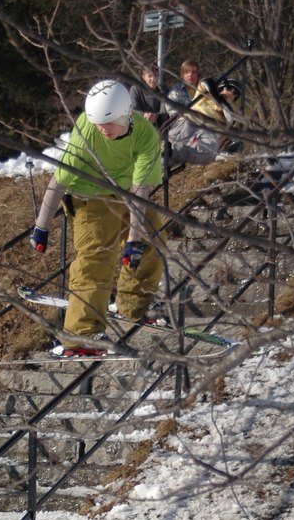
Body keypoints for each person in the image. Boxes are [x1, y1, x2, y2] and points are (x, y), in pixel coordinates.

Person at [29, 79, 164, 356]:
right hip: (88, 195)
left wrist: (133, 241)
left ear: (127, 114)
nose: (103, 129)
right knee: (96, 258)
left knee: (153, 238)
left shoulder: (146, 136)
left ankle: (134, 304)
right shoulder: (87, 132)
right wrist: (41, 227)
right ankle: (81, 335)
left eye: (108, 123)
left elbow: (140, 191)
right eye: (98, 123)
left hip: (126, 192)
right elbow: (59, 180)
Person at [167, 77, 241, 166]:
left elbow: (225, 135)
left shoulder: (228, 116)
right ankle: (170, 153)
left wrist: (226, 109)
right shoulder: (205, 97)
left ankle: (176, 157)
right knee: (187, 126)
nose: (231, 93)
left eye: (235, 93)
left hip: (203, 136)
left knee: (210, 145)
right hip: (190, 122)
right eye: (229, 88)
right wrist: (218, 100)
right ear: (221, 88)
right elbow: (206, 81)